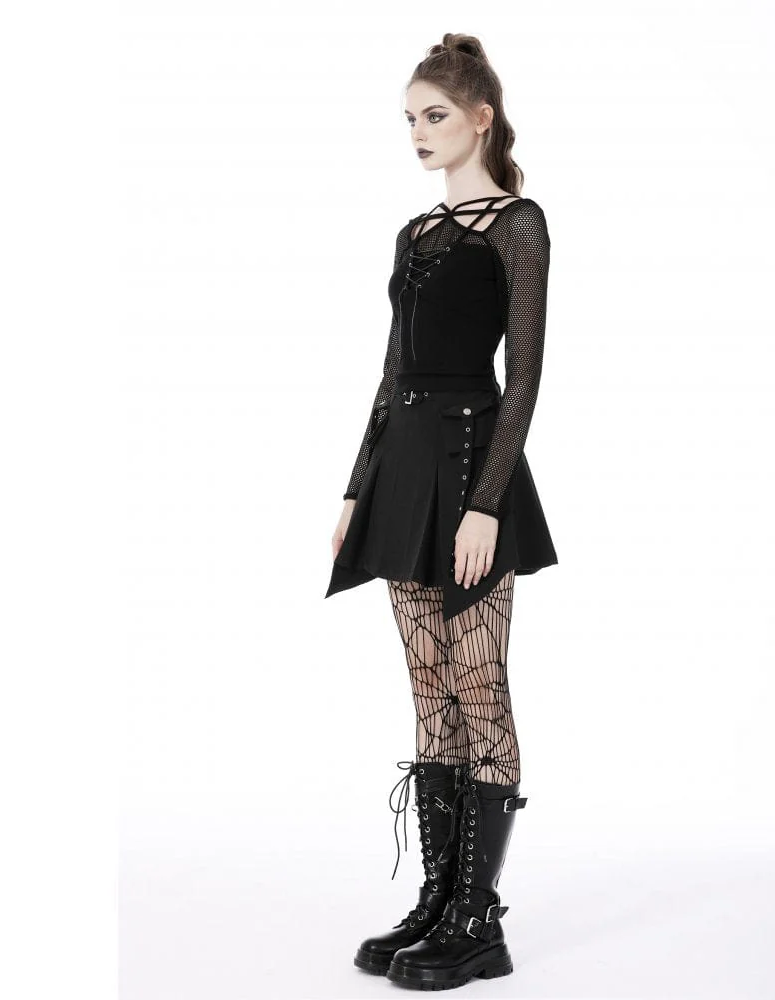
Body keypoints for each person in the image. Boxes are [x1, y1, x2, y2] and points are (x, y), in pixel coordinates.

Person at [324, 33, 558, 990]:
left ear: (480, 118)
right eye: (410, 119)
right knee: (429, 686)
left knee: (478, 682)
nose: (418, 132)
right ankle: (436, 897)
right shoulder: (414, 234)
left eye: (434, 115)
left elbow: (525, 375)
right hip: (404, 471)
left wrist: (487, 504)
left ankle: (478, 919)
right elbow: (392, 374)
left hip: (472, 467)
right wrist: (355, 486)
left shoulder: (519, 225)